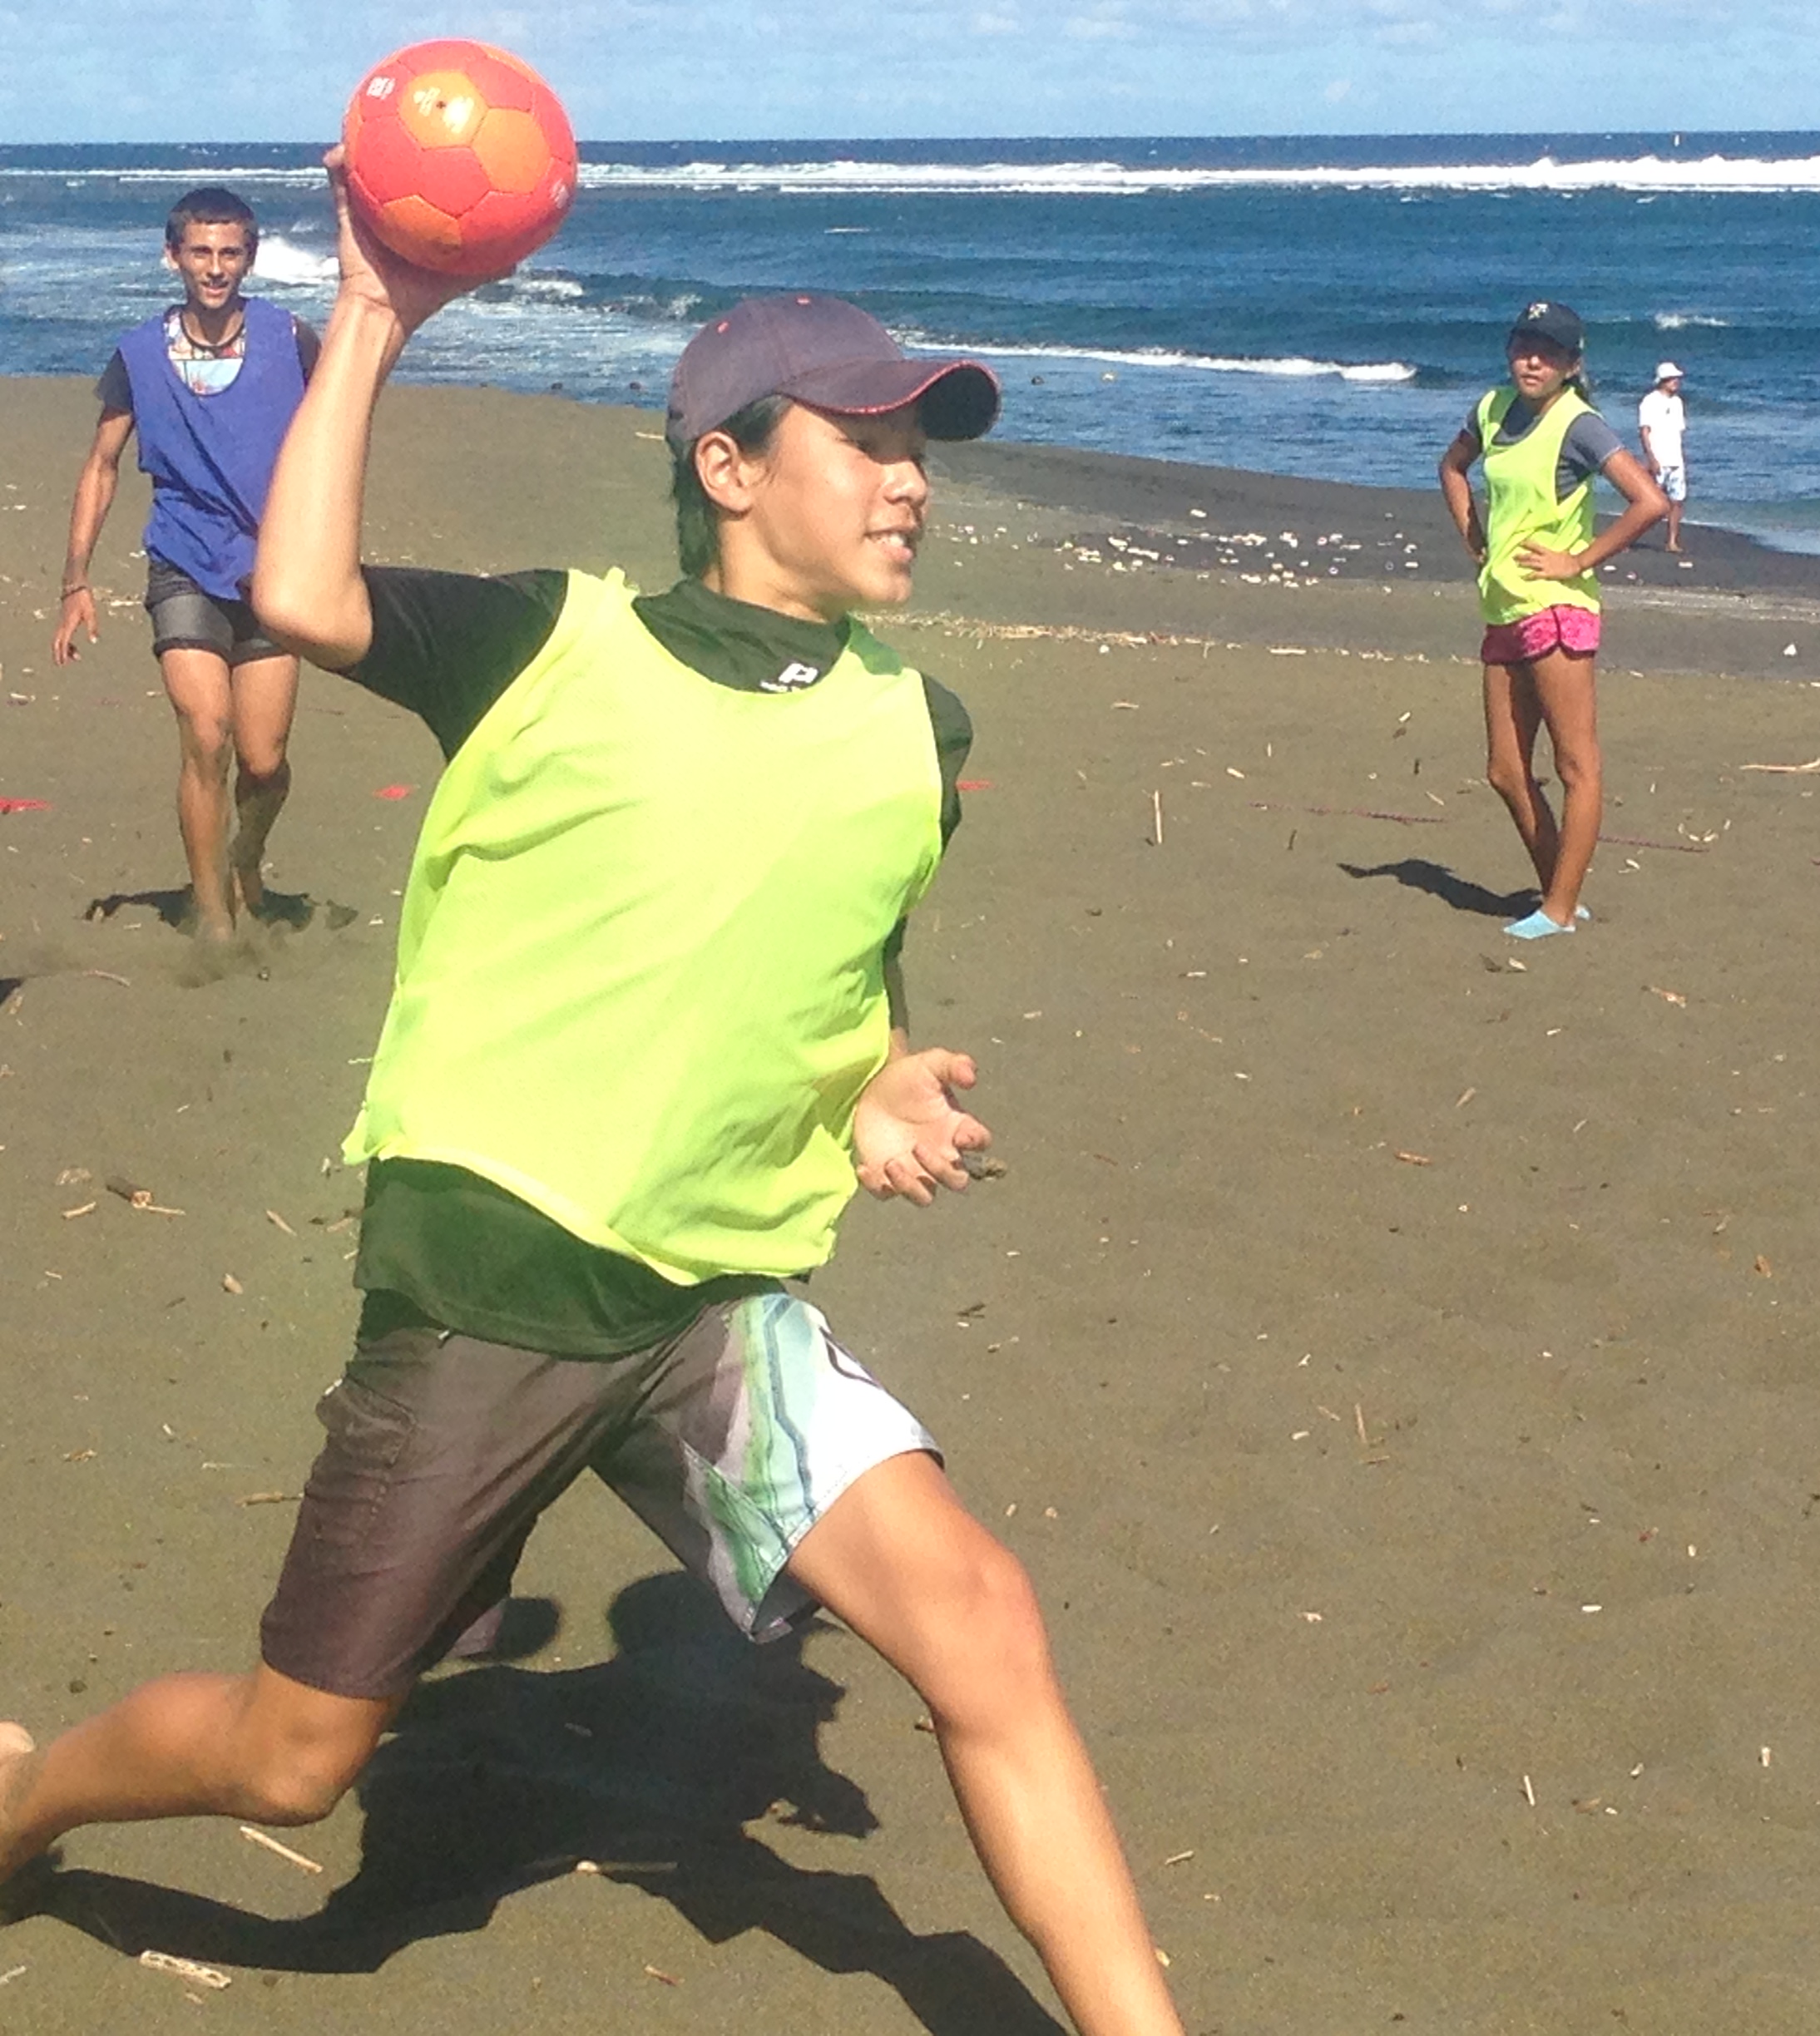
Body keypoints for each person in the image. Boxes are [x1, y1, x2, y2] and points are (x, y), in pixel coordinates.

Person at [0, 160, 1186, 2036]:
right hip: (498, 1285)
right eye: (867, 441)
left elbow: (841, 954)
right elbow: (294, 592)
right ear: (730, 467)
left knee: (983, 1622)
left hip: (711, 1302)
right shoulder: (554, 642)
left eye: (921, 449)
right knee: (292, 1762)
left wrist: (880, 1075)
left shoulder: (911, 726)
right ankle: (25, 1798)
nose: (910, 481)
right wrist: (373, 315)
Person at [51, 187, 321, 938]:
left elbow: (336, 434)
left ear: (250, 258)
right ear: (173, 257)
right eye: (200, 252)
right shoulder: (140, 355)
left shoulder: (289, 338)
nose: (215, 267)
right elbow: (102, 465)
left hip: (274, 570)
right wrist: (76, 581)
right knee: (206, 733)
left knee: (263, 761)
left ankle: (246, 860)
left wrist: (328, 552)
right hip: (183, 563)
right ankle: (214, 918)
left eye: (230, 252)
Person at [1438, 300, 1668, 939]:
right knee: (1505, 772)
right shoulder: (1491, 409)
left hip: (1557, 610)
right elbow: (1452, 467)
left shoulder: (1578, 424)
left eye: (1548, 352)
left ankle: (1559, 908)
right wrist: (1473, 533)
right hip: (1502, 607)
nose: (1532, 361)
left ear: (1571, 364)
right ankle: (1559, 890)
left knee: (1576, 766)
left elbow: (1648, 501)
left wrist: (1580, 559)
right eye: (1523, 347)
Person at [1637, 361, 1689, 555]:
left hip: (1676, 459)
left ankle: (1672, 541)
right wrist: (1651, 458)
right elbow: (1644, 431)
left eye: (1676, 378)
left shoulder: (1677, 403)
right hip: (1659, 458)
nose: (1676, 382)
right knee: (1648, 500)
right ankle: (1627, 537)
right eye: (1672, 379)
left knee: (1677, 500)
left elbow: (1678, 432)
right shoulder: (1650, 401)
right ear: (1663, 380)